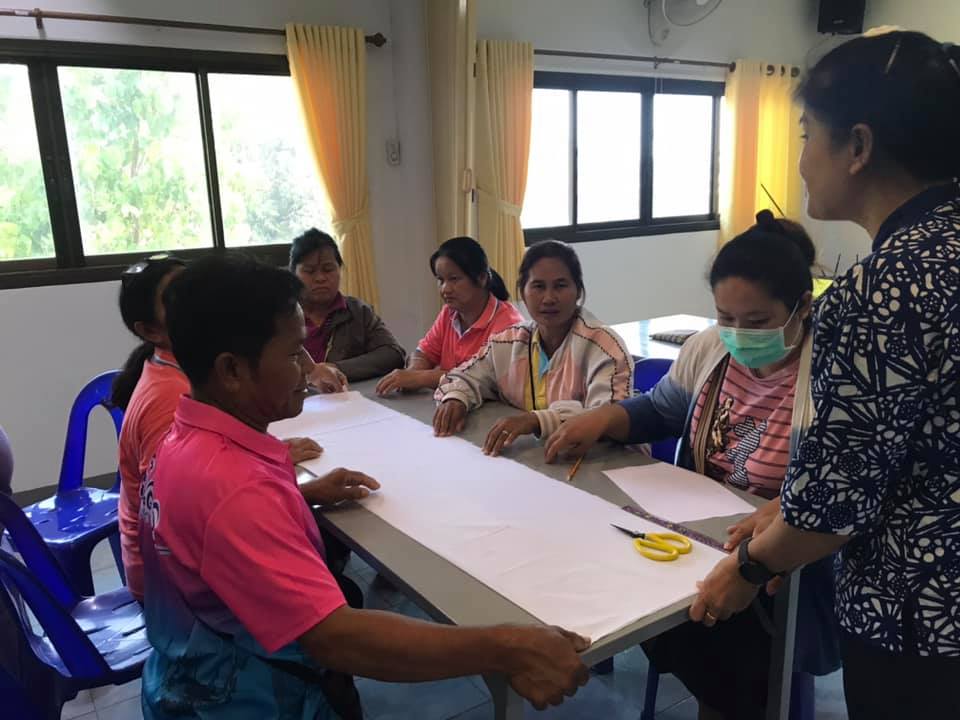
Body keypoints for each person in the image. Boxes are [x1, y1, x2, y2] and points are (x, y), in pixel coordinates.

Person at [139, 255, 590, 719]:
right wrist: (507, 646)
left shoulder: (186, 440)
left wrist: (298, 496)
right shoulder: (233, 488)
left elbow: (214, 540)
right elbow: (337, 638)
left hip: (192, 672)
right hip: (244, 700)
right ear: (231, 371)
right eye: (293, 354)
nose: (308, 368)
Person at [687, 31, 960, 720]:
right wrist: (794, 504)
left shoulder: (879, 288)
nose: (802, 160)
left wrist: (748, 570)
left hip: (919, 614)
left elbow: (838, 506)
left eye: (808, 134)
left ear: (858, 146)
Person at [545, 214, 839, 719]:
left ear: (802, 308)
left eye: (757, 322)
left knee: (729, 645)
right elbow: (660, 409)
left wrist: (784, 509)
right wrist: (603, 419)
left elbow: (843, 482)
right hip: (700, 537)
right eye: (726, 317)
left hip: (783, 563)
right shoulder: (710, 347)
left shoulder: (832, 371)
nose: (738, 334)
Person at [112, 255, 322, 602]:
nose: (205, 305)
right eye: (294, 353)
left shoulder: (188, 395)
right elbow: (325, 630)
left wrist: (298, 491)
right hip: (174, 597)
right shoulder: (169, 399)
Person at [433, 240, 633, 456]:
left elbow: (609, 419)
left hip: (602, 462)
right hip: (539, 460)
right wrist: (456, 397)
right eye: (538, 286)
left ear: (578, 292)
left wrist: (537, 420)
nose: (549, 298)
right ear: (522, 291)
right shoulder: (509, 341)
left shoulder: (603, 347)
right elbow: (463, 376)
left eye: (560, 286)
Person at [376, 237, 523, 395]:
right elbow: (425, 352)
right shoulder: (449, 312)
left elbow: (482, 379)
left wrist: (420, 378)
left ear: (481, 278)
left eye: (454, 279)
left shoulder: (509, 325)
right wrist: (413, 371)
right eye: (440, 280)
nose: (445, 289)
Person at [291, 229, 406, 389]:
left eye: (328, 269)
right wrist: (311, 372)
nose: (320, 278)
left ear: (340, 270)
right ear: (293, 274)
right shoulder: (281, 316)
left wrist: (334, 368)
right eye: (309, 271)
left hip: (345, 397)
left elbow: (393, 354)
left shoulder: (358, 311)